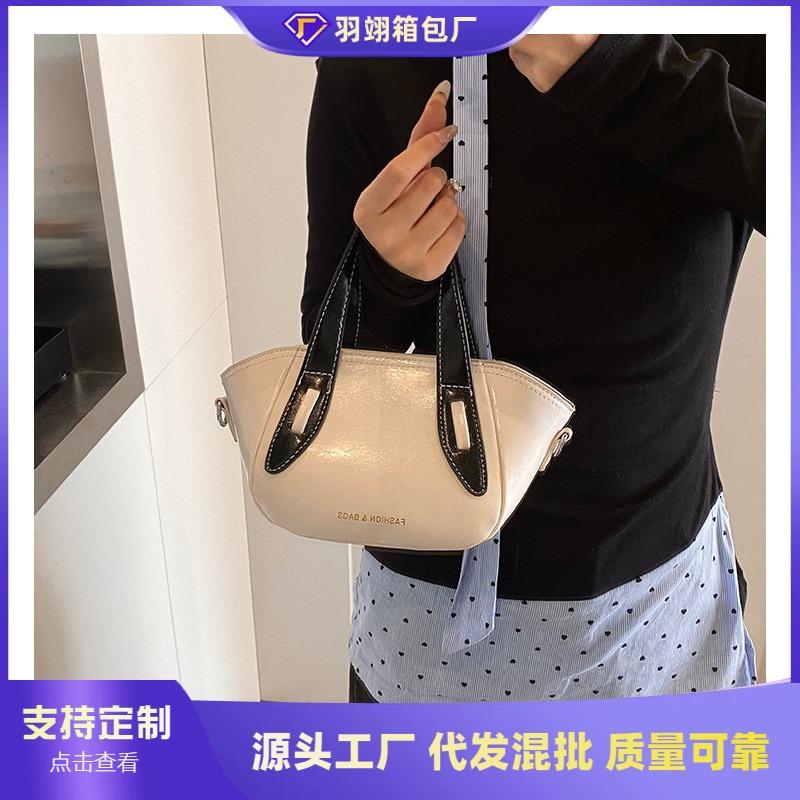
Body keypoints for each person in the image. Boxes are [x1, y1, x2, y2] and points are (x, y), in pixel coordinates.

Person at [302, 34, 765, 703]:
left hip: (666, 617)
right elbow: (330, 367)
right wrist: (386, 275)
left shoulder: (725, 32)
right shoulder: (381, 45)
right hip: (422, 621)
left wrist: (620, 71)